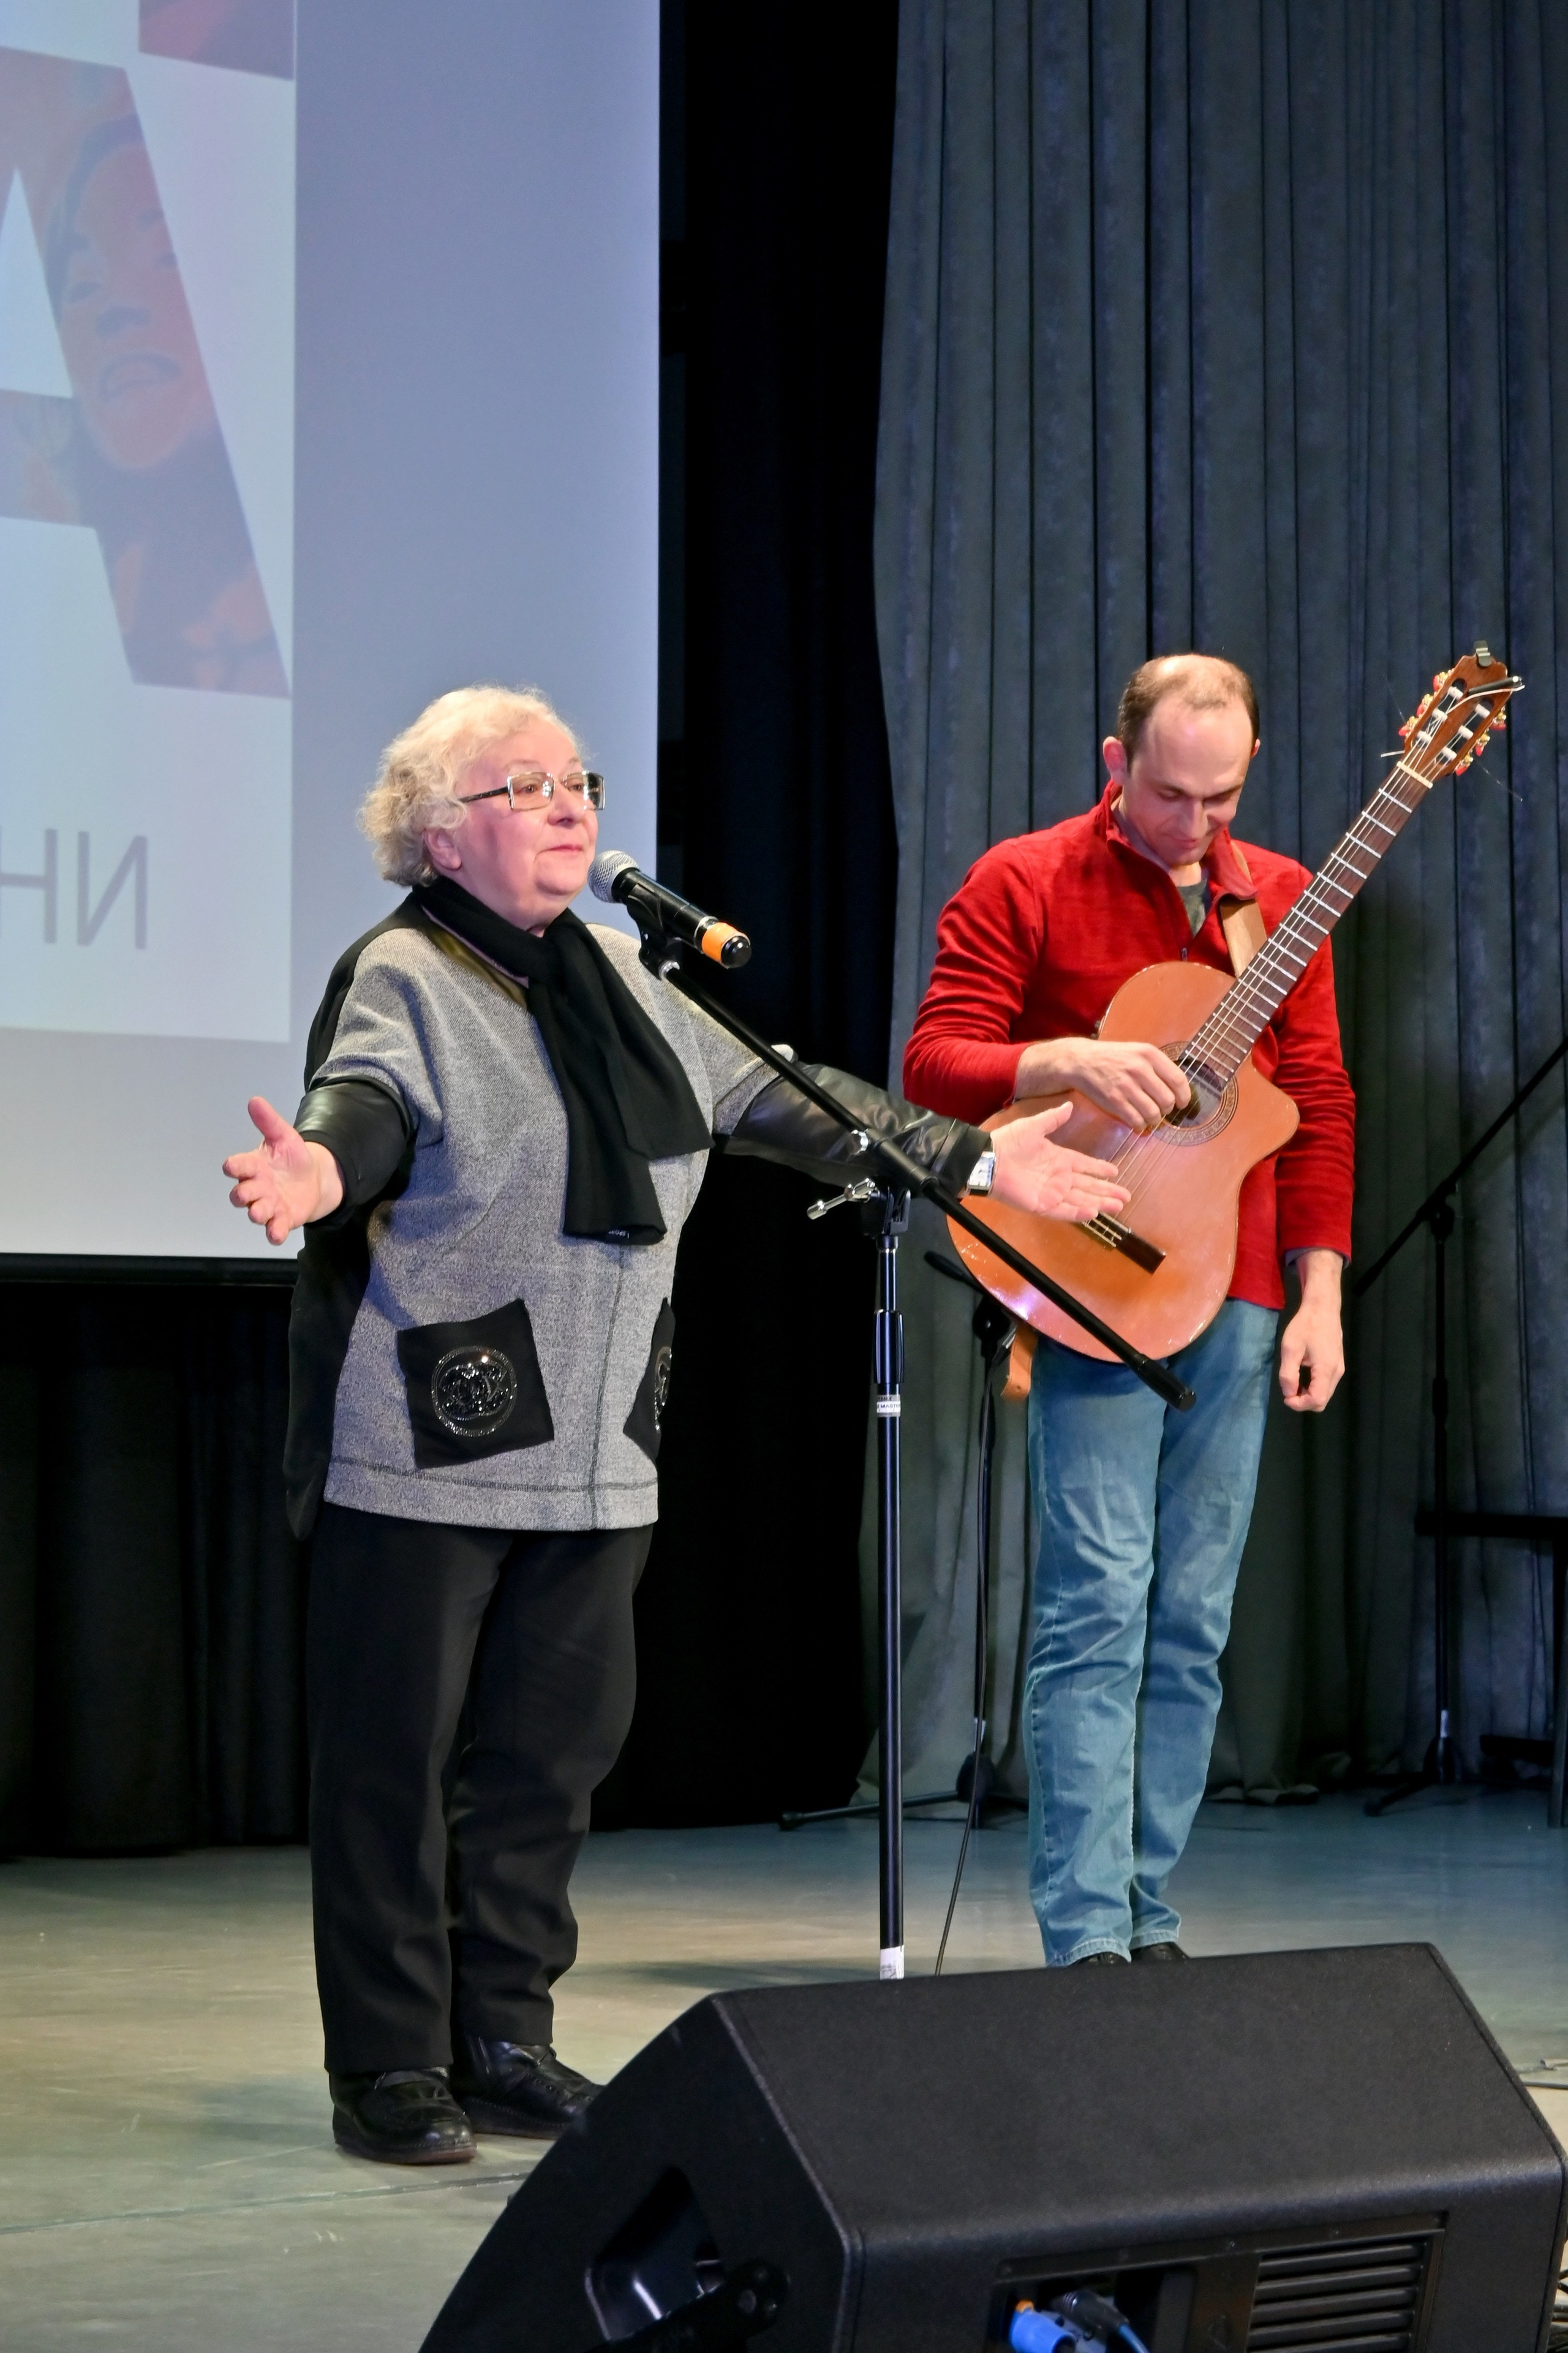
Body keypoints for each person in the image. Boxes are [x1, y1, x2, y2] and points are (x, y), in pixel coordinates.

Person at [224, 683, 1131, 2166]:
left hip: (598, 1455)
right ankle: (390, 2064)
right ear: (443, 834)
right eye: (526, 787)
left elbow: (790, 1103)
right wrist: (320, 1178)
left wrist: (973, 1161)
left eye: (574, 776)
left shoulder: (622, 982)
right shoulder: (404, 973)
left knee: (546, 1767)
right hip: (432, 1441)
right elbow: (365, 1105)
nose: (571, 800)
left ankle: (506, 2034)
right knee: (396, 1770)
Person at [903, 654, 1355, 1969]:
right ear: (1116, 765)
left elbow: (1316, 1103)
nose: (1196, 824)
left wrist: (1321, 1290)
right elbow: (935, 1060)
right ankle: (1086, 1937)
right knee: (1096, 1601)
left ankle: (1147, 1913)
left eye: (1220, 797)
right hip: (1093, 1273)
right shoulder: (1023, 877)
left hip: (1248, 1284)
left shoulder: (1275, 899)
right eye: (1169, 795)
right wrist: (1065, 1057)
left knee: (1193, 1615)